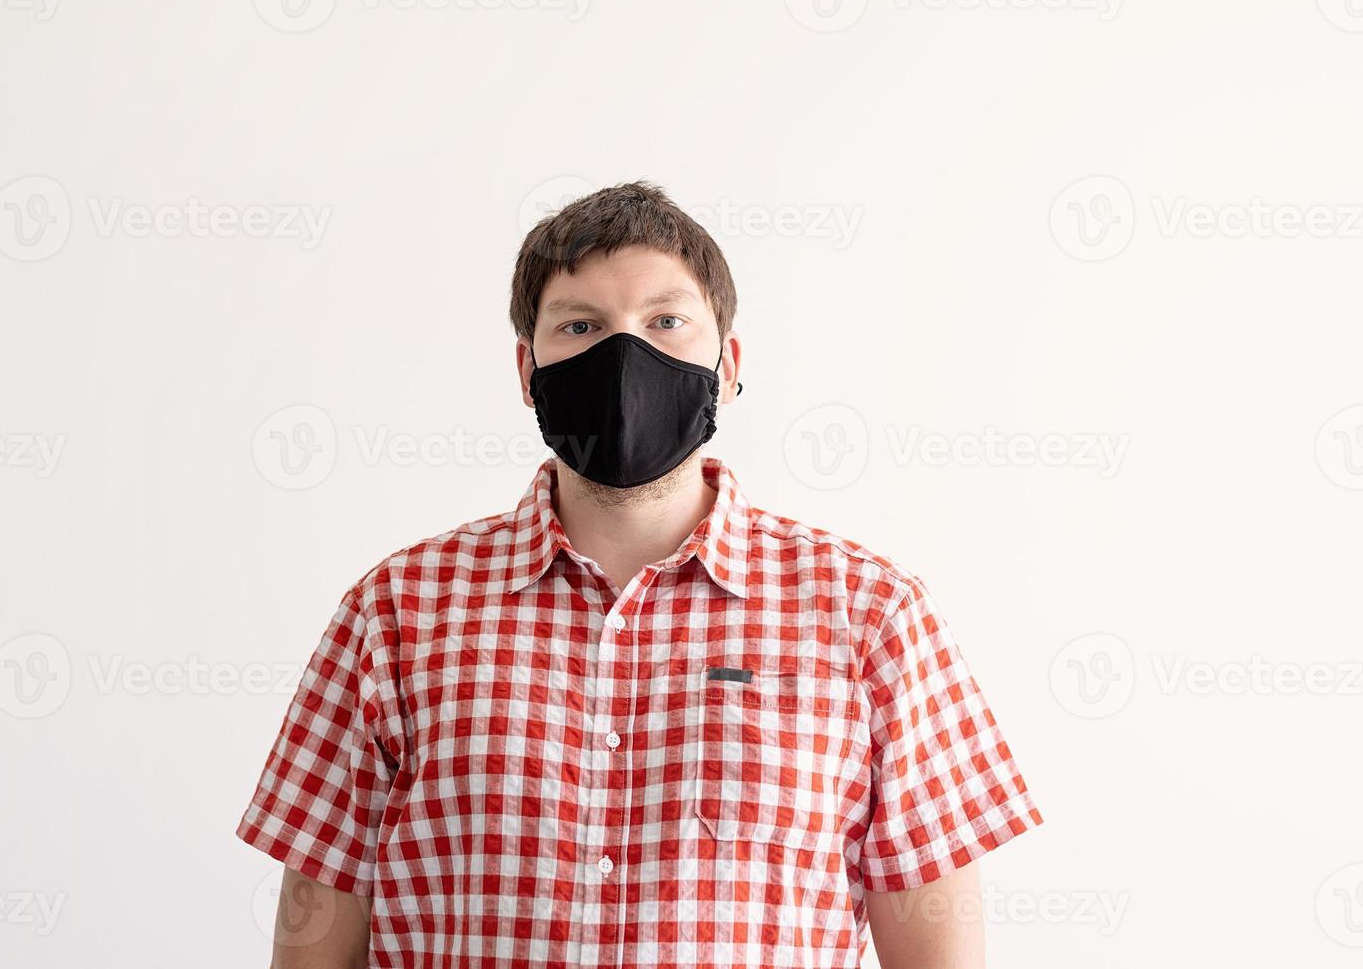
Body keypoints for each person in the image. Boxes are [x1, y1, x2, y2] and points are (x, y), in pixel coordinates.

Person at [236, 180, 1043, 968]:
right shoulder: (397, 614)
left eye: (665, 322)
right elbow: (316, 942)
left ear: (727, 363)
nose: (626, 357)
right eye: (582, 326)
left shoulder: (870, 615)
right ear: (527, 371)